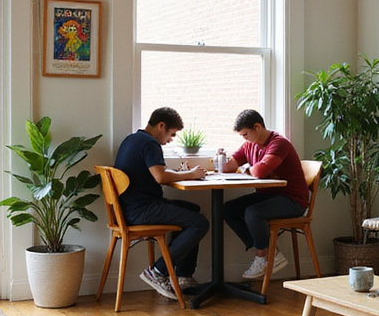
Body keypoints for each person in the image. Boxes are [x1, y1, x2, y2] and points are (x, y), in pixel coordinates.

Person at [113, 107, 210, 299]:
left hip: (128, 209)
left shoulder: (132, 139)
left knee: (192, 210)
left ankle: (183, 276)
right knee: (199, 223)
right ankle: (158, 271)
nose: (171, 140)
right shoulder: (150, 144)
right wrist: (191, 174)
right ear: (161, 126)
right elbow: (160, 177)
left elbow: (155, 173)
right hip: (141, 211)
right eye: (171, 134)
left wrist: (183, 173)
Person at [219, 109, 310, 280]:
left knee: (253, 213)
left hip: (293, 200)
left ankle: (262, 256)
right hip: (269, 196)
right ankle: (270, 252)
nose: (244, 138)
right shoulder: (249, 144)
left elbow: (260, 171)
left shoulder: (279, 143)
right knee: (227, 210)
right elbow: (230, 166)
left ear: (257, 127)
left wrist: (247, 168)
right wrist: (221, 159)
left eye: (245, 134)